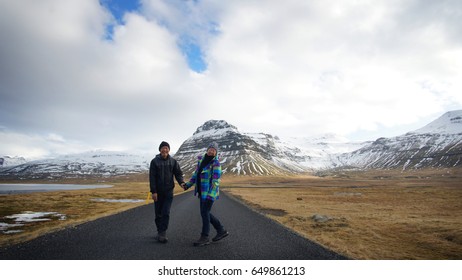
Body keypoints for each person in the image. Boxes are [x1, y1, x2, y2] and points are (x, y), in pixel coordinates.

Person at [184, 142, 229, 246]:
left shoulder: (216, 163)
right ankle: (221, 230)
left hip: (209, 194)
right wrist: (188, 185)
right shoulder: (201, 160)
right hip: (201, 192)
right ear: (207, 149)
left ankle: (205, 237)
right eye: (210, 149)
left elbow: (216, 181)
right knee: (205, 213)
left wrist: (211, 195)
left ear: (216, 152)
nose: (211, 151)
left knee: (204, 213)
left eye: (214, 150)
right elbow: (196, 175)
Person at [149, 141, 185, 243]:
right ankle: (159, 231)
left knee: (166, 212)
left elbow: (178, 174)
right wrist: (154, 191)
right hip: (158, 192)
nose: (165, 150)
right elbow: (152, 177)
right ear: (160, 150)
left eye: (166, 148)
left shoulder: (173, 161)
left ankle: (163, 233)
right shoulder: (154, 162)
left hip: (169, 192)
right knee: (158, 213)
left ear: (169, 150)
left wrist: (181, 182)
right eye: (163, 148)